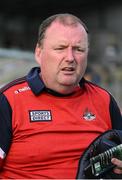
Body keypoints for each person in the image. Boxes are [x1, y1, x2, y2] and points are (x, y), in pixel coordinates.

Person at [0, 13, 122, 179]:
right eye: (60, 48)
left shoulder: (104, 100)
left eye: (79, 49)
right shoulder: (9, 100)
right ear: (38, 53)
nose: (70, 58)